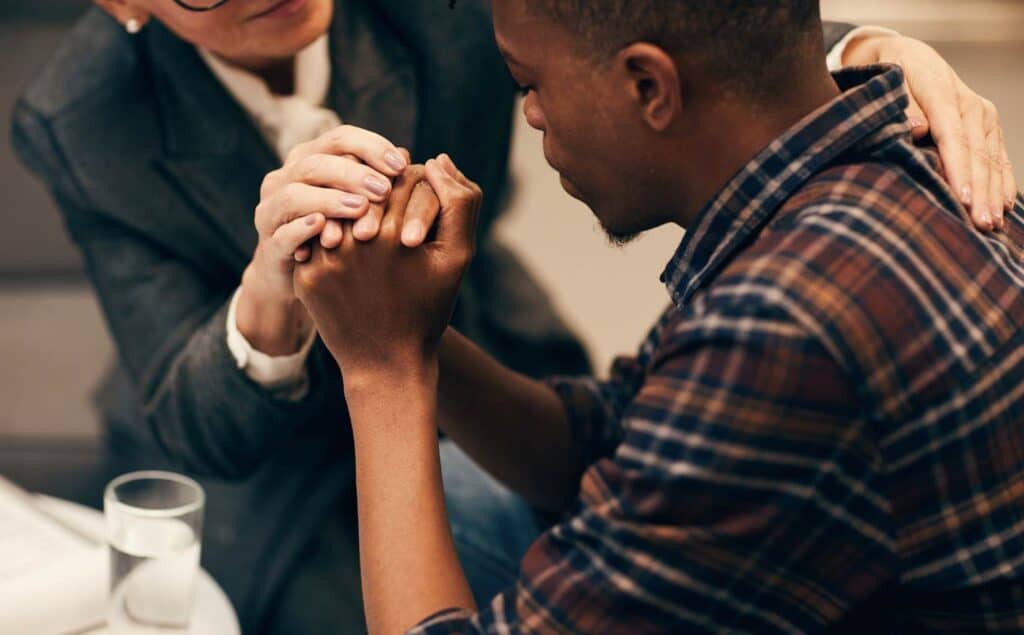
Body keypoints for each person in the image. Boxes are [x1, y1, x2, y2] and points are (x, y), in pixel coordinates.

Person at [8, 0, 1014, 632]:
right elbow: (611, 431)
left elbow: (685, 35)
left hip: (439, 370)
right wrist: (321, 306)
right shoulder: (77, 114)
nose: (525, 116)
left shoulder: (771, 326)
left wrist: (389, 364)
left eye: (524, 81)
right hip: (275, 463)